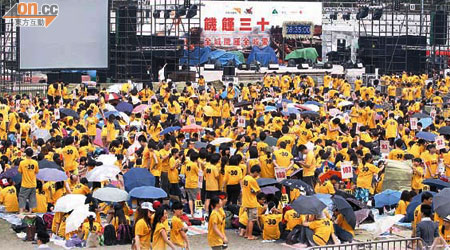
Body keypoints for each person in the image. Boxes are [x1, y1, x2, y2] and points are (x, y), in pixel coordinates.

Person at [242, 165, 261, 240]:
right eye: (258, 173)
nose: (258, 175)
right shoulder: (252, 180)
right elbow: (258, 190)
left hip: (246, 201)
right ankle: (250, 235)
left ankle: (247, 234)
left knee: (249, 219)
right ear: (255, 172)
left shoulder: (245, 177)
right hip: (252, 202)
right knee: (252, 220)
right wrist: (256, 192)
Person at [18, 147, 39, 214]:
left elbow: (20, 172)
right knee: (32, 197)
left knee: (22, 197)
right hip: (33, 183)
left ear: (26, 154)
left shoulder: (22, 163)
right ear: (32, 154)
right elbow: (36, 172)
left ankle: (21, 211)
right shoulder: (35, 162)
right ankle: (30, 211)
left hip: (25, 183)